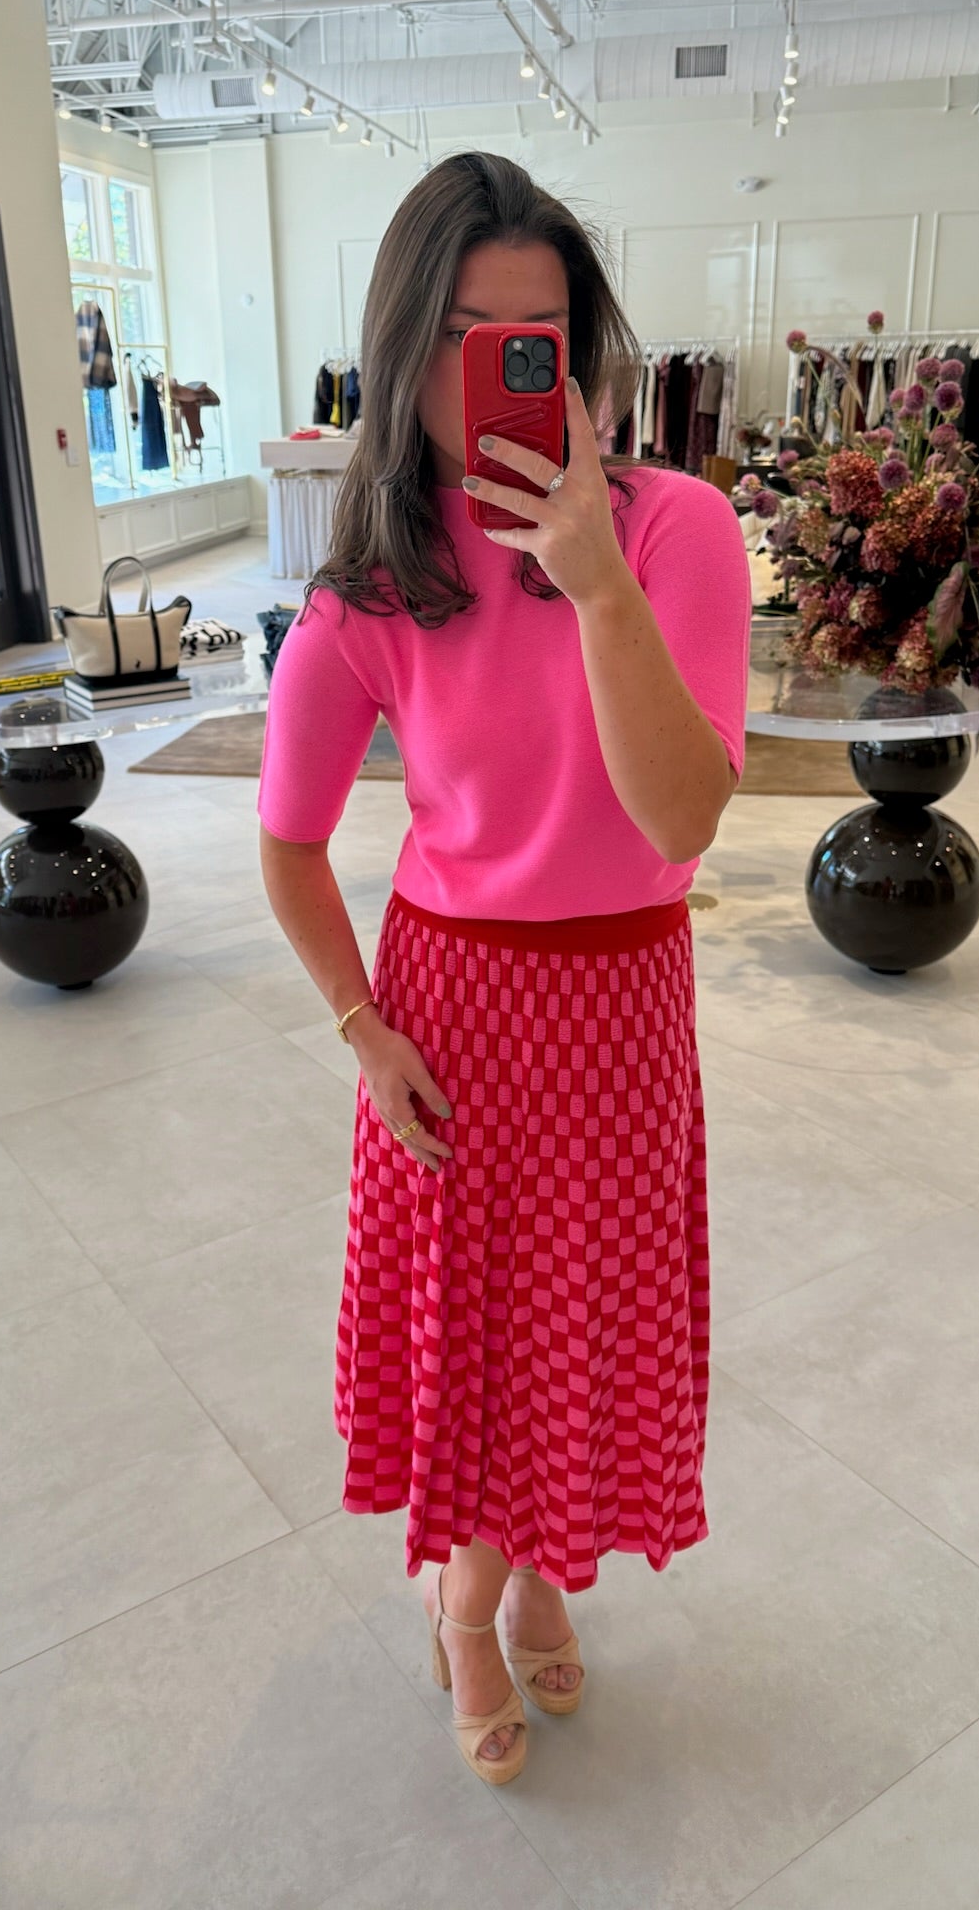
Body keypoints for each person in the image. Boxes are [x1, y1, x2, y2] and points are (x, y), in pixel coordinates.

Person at [256, 152, 750, 1786]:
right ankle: (466, 1605)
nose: (504, 377)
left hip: (623, 1004)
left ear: (583, 353)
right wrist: (359, 1024)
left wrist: (595, 580)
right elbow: (288, 842)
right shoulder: (368, 590)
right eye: (469, 340)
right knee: (482, 1349)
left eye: (538, 341)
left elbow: (681, 814)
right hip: (455, 1015)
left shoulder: (678, 533)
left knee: (585, 1327)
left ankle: (536, 1574)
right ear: (406, 352)